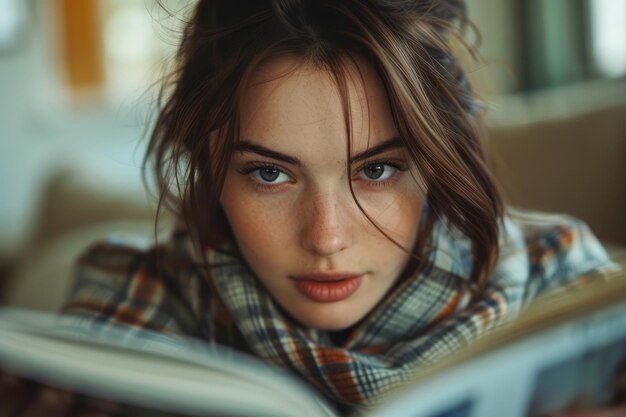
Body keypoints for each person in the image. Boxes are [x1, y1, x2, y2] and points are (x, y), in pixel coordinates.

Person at [2, 0, 622, 416]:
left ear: (438, 161)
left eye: (377, 170)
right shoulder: (133, 299)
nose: (326, 237)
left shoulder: (562, 281)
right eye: (269, 174)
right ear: (209, 167)